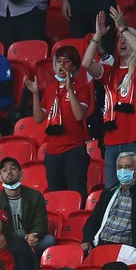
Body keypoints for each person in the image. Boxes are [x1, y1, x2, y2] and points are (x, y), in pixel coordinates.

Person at [82, 8, 136, 187]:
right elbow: (86, 63)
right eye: (119, 39)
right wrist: (97, 35)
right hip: (112, 142)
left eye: (126, 39)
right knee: (112, 195)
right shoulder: (109, 72)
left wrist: (123, 28)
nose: (122, 40)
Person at [27, 46, 92, 197]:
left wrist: (70, 89)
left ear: (74, 66)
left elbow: (79, 116)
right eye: (58, 61)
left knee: (76, 194)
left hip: (74, 150)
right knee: (55, 196)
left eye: (66, 61)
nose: (61, 65)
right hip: (52, 152)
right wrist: (35, 94)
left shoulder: (81, 87)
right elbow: (38, 118)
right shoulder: (51, 88)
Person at [0, 157, 56, 253]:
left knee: (49, 240)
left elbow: (41, 224)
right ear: (0, 178)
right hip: (9, 242)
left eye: (13, 169)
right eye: (4, 170)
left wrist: (32, 236)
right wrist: (21, 240)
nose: (9, 172)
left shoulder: (35, 196)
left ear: (21, 174)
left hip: (30, 240)